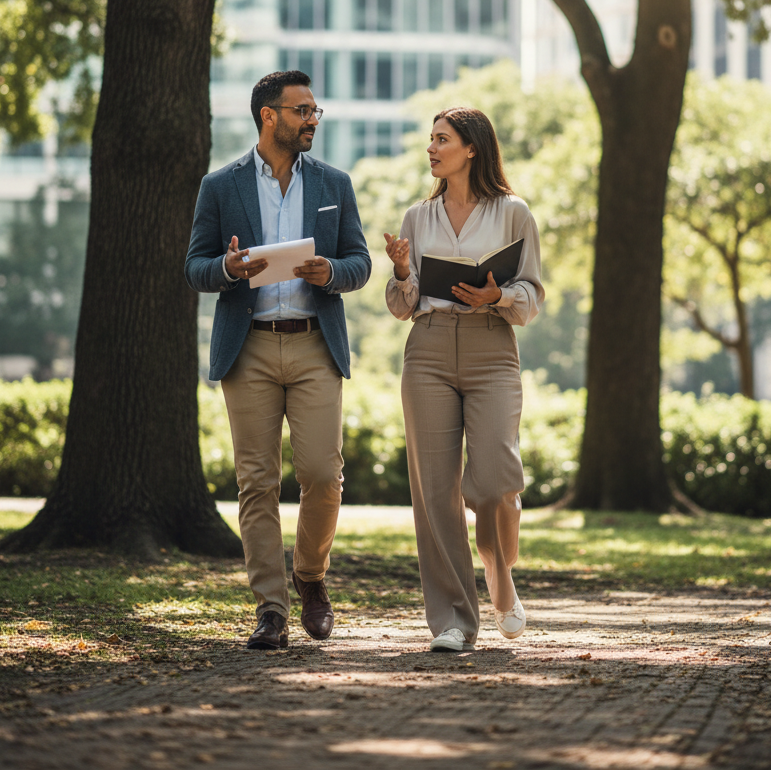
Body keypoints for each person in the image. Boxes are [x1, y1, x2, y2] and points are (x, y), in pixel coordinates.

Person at [185, 70, 371, 650]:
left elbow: (361, 262)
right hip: (250, 348)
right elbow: (195, 267)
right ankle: (271, 608)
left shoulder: (335, 183)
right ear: (269, 116)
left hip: (316, 343)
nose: (312, 119)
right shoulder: (221, 186)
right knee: (257, 483)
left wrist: (331, 272)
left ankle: (310, 576)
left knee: (322, 476)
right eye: (301, 111)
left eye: (315, 110)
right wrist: (227, 268)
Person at [384, 106, 544, 652]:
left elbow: (532, 294)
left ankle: (499, 568)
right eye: (430, 140)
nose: (431, 149)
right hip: (427, 350)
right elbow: (402, 305)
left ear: (471, 148)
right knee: (435, 492)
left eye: (442, 139)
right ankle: (453, 619)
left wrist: (498, 294)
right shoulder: (417, 217)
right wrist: (401, 270)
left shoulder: (514, 213)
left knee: (497, 481)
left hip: (491, 347)